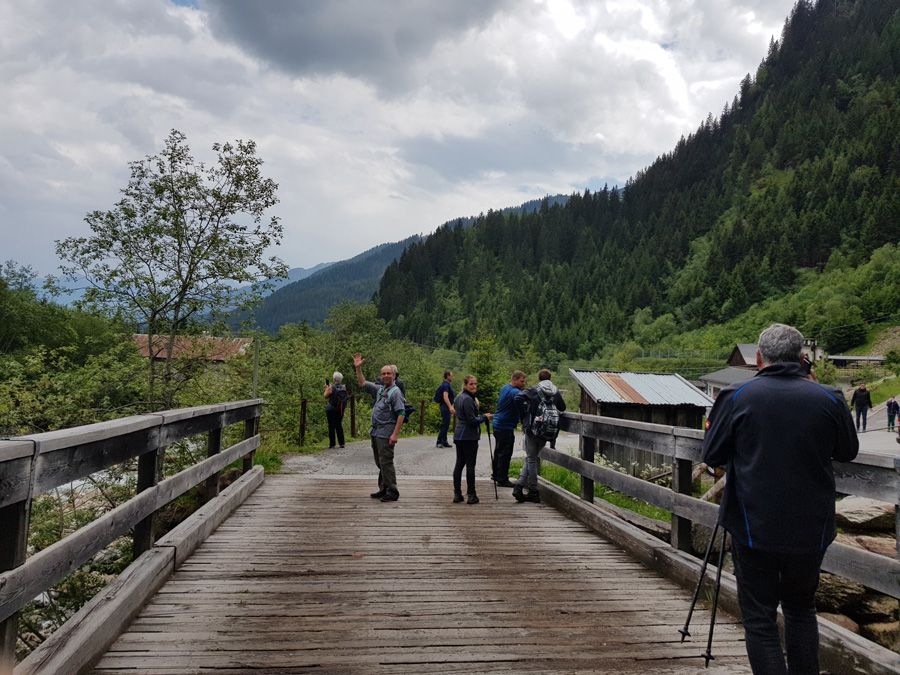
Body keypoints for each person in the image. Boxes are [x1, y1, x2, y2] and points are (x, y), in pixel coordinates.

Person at [702, 323, 858, 674]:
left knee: (760, 618)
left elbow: (711, 454)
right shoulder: (829, 397)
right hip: (811, 526)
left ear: (759, 358)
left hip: (752, 523)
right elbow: (848, 451)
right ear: (802, 357)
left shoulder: (736, 396)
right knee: (801, 609)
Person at [353, 353, 406, 502]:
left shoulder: (396, 393)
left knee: (386, 461)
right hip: (376, 431)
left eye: (389, 373)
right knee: (380, 461)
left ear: (394, 375)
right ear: (380, 376)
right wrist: (358, 368)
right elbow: (362, 383)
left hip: (386, 431)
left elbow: (401, 413)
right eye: (383, 373)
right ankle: (383, 488)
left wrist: (395, 434)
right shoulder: (380, 389)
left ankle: (392, 491)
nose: (386, 375)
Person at [513, 369, 566, 504]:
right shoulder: (555, 391)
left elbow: (517, 398)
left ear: (539, 378)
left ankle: (533, 491)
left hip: (533, 428)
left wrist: (524, 415)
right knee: (532, 457)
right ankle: (519, 486)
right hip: (546, 431)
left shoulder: (534, 390)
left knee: (531, 458)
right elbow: (563, 407)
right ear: (550, 378)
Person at [452, 375, 492, 504]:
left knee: (459, 464)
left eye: (475, 384)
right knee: (470, 465)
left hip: (459, 435)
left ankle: (457, 494)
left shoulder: (458, 397)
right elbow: (472, 421)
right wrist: (485, 418)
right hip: (468, 436)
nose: (474, 386)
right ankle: (471, 495)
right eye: (471, 384)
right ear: (465, 385)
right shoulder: (468, 399)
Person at [491, 370, 526, 487]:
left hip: (498, 424)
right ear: (515, 379)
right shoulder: (515, 392)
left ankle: (495, 475)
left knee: (498, 451)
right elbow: (523, 401)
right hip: (505, 426)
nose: (523, 383)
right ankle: (502, 479)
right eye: (521, 381)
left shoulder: (505, 387)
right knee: (505, 453)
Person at [323, 371, 348, 449]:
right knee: (339, 425)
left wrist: (326, 388)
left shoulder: (331, 387)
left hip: (331, 408)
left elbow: (325, 396)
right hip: (340, 409)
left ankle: (332, 444)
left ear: (334, 379)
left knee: (331, 426)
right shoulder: (344, 387)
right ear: (341, 379)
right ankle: (342, 443)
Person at [434, 370, 455, 448]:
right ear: (448, 376)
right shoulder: (446, 385)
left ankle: (444, 441)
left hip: (445, 407)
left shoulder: (446, 384)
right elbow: (445, 396)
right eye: (452, 375)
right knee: (444, 424)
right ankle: (439, 442)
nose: (453, 377)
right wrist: (450, 407)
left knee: (446, 424)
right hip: (445, 407)